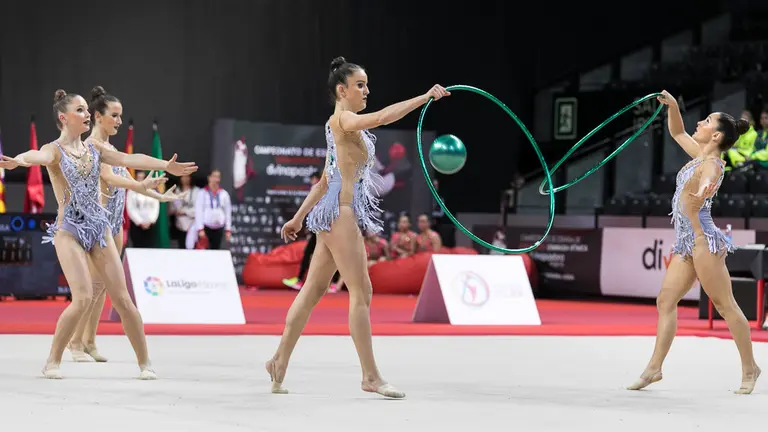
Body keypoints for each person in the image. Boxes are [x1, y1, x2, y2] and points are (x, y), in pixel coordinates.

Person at [265, 55, 450, 399]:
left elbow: (325, 180)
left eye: (366, 85)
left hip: (330, 211)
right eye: (360, 85)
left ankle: (279, 360)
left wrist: (299, 217)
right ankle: (370, 376)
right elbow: (381, 117)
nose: (366, 91)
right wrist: (425, 98)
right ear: (342, 90)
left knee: (313, 290)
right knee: (361, 292)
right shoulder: (345, 120)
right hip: (341, 213)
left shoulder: (335, 125)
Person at [0, 89, 197, 379]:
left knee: (123, 299)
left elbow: (129, 159)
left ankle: (145, 364)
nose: (86, 115)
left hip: (99, 229)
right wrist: (19, 160)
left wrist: (165, 164)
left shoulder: (95, 150)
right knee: (82, 298)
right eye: (80, 110)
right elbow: (37, 155)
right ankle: (53, 361)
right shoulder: (55, 150)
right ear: (63, 117)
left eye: (86, 110)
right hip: (69, 231)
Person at [627, 90, 760, 394]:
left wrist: (704, 189)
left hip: (704, 243)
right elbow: (677, 132)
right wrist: (673, 106)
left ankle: (750, 368)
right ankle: (654, 368)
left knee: (725, 306)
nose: (699, 123)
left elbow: (709, 177)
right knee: (665, 300)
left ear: (716, 136)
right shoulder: (699, 154)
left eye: (707, 121)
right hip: (685, 243)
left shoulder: (713, 164)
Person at [68, 86, 187, 363]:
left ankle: (89, 340)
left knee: (102, 289)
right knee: (91, 288)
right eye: (115, 115)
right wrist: (141, 184)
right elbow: (110, 177)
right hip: (97, 225)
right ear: (98, 117)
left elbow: (129, 179)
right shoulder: (91, 146)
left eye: (121, 116)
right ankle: (74, 343)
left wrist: (159, 196)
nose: (119, 121)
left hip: (115, 224)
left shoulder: (111, 148)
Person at [194, 169, 232, 250]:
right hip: (206, 227)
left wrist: (228, 229)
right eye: (214, 176)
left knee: (217, 250)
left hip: (219, 227)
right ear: (209, 178)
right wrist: (200, 228)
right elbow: (198, 211)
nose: (216, 179)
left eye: (218, 177)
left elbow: (228, 212)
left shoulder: (224, 194)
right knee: (206, 251)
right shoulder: (202, 193)